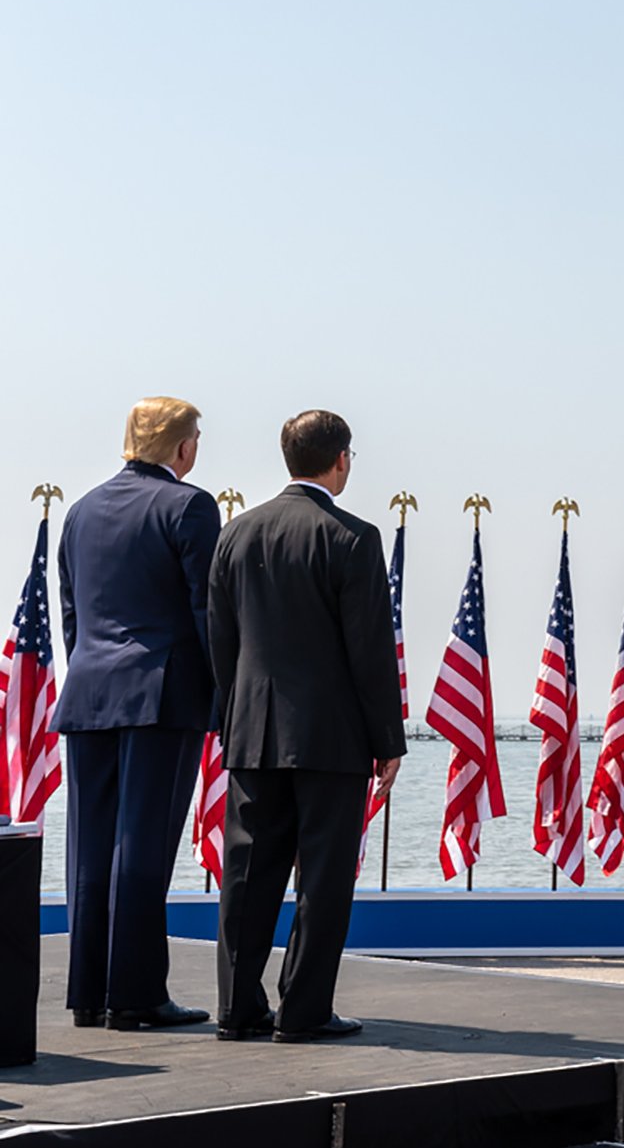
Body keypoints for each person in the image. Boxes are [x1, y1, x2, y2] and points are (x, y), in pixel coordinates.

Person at [208, 410, 404, 1043]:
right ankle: (304, 1010)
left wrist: (232, 716)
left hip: (252, 730)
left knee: (245, 873)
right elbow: (369, 651)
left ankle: (238, 1010)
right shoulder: (354, 537)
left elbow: (222, 641)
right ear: (340, 459)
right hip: (331, 737)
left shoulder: (236, 533)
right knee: (321, 877)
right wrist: (387, 741)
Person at [55, 397, 219, 1030]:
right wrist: (225, 695)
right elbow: (209, 612)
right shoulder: (188, 505)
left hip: (91, 691)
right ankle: (137, 995)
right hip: (162, 694)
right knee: (143, 847)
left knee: (91, 850)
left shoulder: (81, 510)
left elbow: (71, 612)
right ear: (181, 448)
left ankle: (89, 994)